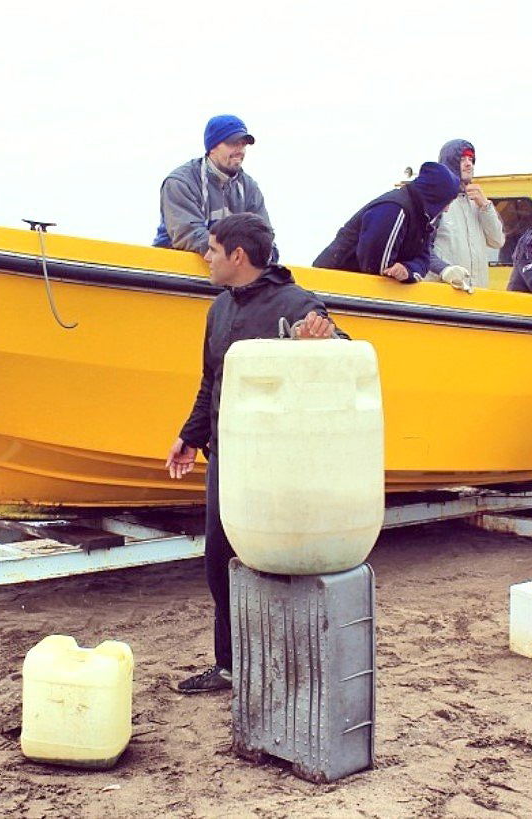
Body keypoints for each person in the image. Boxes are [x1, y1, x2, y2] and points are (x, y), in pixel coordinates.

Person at [166, 213, 347, 694]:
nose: (206, 256)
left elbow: (347, 354)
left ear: (237, 256)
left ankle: (284, 670)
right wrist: (190, 434)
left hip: (277, 464)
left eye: (212, 249)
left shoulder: (296, 303)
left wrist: (322, 343)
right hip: (227, 458)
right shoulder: (219, 309)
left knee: (273, 564)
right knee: (219, 562)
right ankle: (229, 667)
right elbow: (212, 379)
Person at [313, 162, 459, 283]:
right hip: (335, 285)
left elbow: (423, 260)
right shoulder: (394, 209)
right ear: (435, 197)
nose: (446, 209)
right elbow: (376, 267)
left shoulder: (423, 219)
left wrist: (407, 270)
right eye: (446, 202)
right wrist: (400, 272)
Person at [152, 115, 275, 256]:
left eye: (243, 144)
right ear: (212, 147)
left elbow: (264, 237)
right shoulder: (180, 182)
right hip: (174, 270)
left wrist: (267, 254)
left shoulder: (249, 187)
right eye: (233, 143)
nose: (240, 150)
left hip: (228, 269)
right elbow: (188, 236)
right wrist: (237, 256)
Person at [426, 139, 504, 290]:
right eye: (462, 159)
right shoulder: (436, 200)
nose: (469, 164)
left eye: (471, 159)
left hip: (476, 296)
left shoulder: (478, 202)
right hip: (445, 294)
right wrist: (444, 270)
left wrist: (485, 207)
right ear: (449, 163)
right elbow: (420, 249)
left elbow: (497, 241)